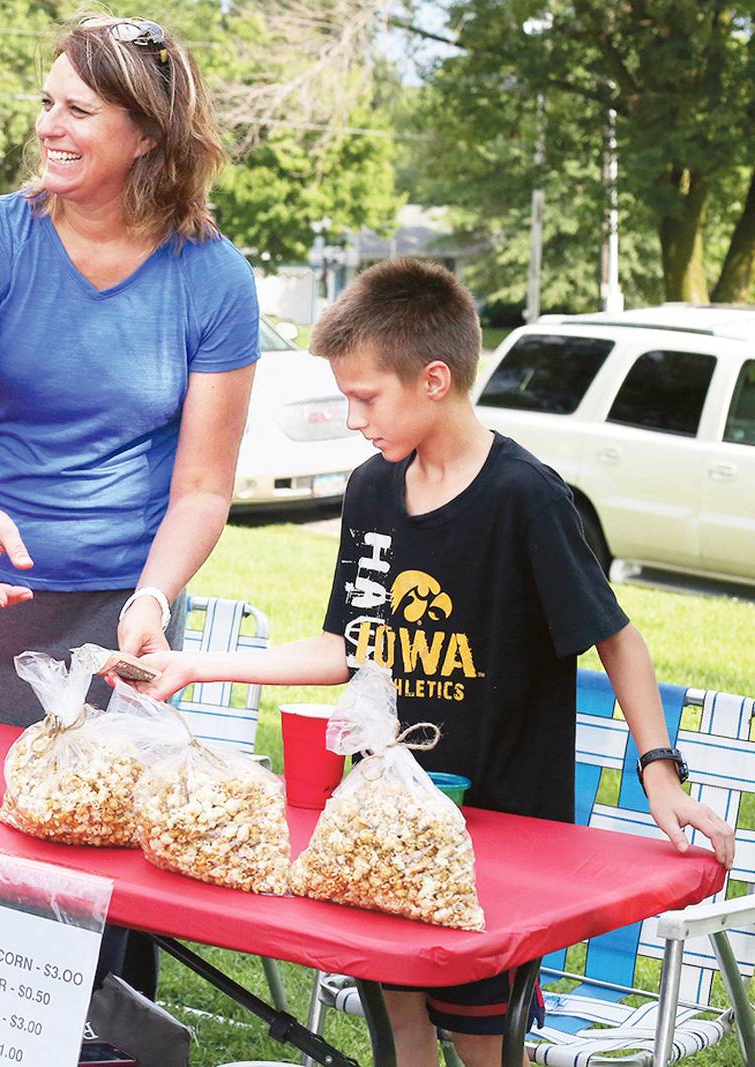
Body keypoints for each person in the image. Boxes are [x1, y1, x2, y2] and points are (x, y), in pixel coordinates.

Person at [132, 257, 736, 1067]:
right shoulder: (372, 491)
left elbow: (615, 636)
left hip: (503, 839)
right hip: (381, 827)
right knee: (399, 1030)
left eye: (366, 397)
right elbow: (348, 646)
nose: (354, 419)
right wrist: (198, 666)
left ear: (435, 379)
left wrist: (659, 770)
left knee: (486, 1044)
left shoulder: (527, 496)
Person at [0, 13, 259, 996]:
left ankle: (103, 1039)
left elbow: (200, 484)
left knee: (99, 867)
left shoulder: (213, 280)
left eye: (79, 110)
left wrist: (153, 594)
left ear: (145, 134)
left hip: (123, 611)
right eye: (46, 103)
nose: (50, 126)